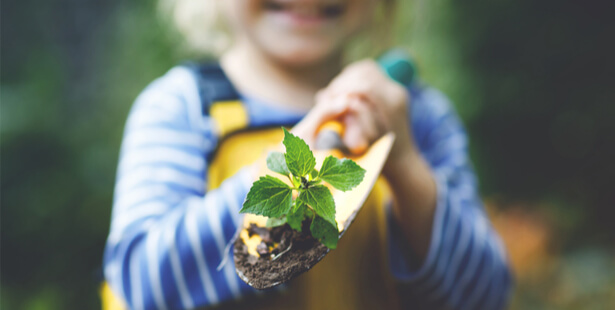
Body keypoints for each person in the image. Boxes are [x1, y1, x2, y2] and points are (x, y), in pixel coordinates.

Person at [102, 0, 512, 309]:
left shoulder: (416, 118)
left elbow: (486, 296)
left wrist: (404, 164)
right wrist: (284, 175)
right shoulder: (183, 108)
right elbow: (142, 287)